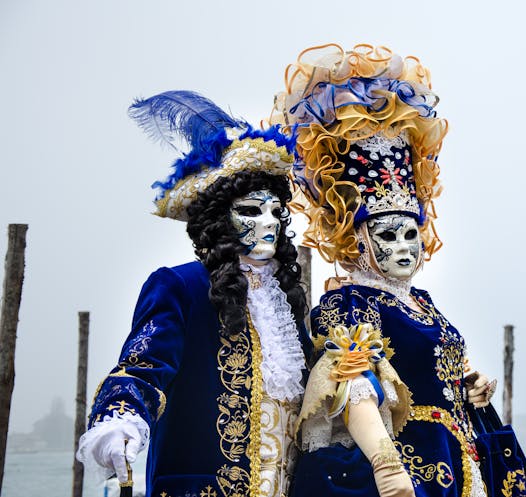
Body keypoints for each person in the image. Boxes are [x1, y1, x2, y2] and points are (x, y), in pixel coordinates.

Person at [271, 44, 499, 497]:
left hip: (457, 460)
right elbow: (351, 384)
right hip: (408, 466)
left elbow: (433, 368)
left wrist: (469, 387)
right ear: (359, 239)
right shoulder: (349, 301)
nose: (402, 247)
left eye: (410, 234)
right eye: (388, 235)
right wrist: (388, 469)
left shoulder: (422, 303)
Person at [76, 91, 310, 497]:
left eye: (276, 210)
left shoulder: (288, 302)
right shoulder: (180, 286)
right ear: (219, 218)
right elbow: (142, 367)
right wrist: (121, 417)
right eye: (251, 210)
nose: (268, 221)